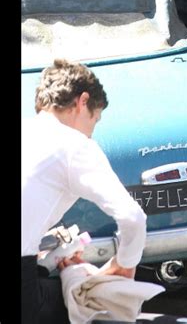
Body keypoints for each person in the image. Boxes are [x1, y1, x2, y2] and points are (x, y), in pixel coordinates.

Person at [21, 59, 147, 324]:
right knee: (86, 301)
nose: (91, 132)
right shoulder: (75, 145)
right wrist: (123, 265)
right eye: (95, 119)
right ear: (82, 101)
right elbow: (132, 217)